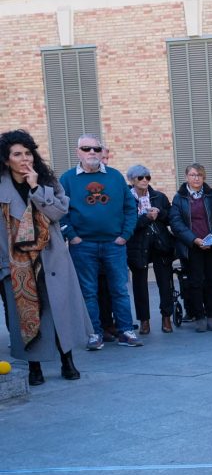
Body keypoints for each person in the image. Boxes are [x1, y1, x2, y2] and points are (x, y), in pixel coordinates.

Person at [0, 130, 91, 385]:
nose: (25, 158)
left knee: (58, 312)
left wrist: (36, 187)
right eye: (17, 154)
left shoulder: (48, 182)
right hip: (16, 263)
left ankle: (67, 360)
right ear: (7, 160)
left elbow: (58, 212)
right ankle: (34, 367)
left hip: (51, 259)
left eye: (28, 153)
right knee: (26, 315)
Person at [58, 133, 142, 349]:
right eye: (87, 149)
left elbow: (130, 208)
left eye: (96, 148)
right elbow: (60, 212)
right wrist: (72, 236)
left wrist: (125, 235)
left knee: (120, 289)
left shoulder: (115, 177)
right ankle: (94, 333)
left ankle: (126, 331)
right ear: (78, 152)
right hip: (83, 245)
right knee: (88, 291)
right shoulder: (67, 179)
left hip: (114, 245)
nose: (92, 152)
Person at [169, 164, 212, 333]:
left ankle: (211, 314)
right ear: (186, 177)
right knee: (195, 282)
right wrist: (194, 240)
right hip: (191, 247)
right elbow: (176, 223)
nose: (196, 178)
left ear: (204, 177)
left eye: (199, 175)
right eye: (193, 175)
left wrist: (211, 239)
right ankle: (199, 316)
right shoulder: (179, 198)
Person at [125, 164, 175, 334]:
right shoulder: (126, 198)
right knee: (140, 285)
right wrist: (146, 218)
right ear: (132, 180)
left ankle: (166, 317)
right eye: (140, 177)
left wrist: (159, 213)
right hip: (137, 246)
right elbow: (127, 225)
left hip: (159, 244)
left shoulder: (159, 197)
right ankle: (144, 321)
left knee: (165, 283)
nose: (145, 180)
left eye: (147, 177)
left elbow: (170, 218)